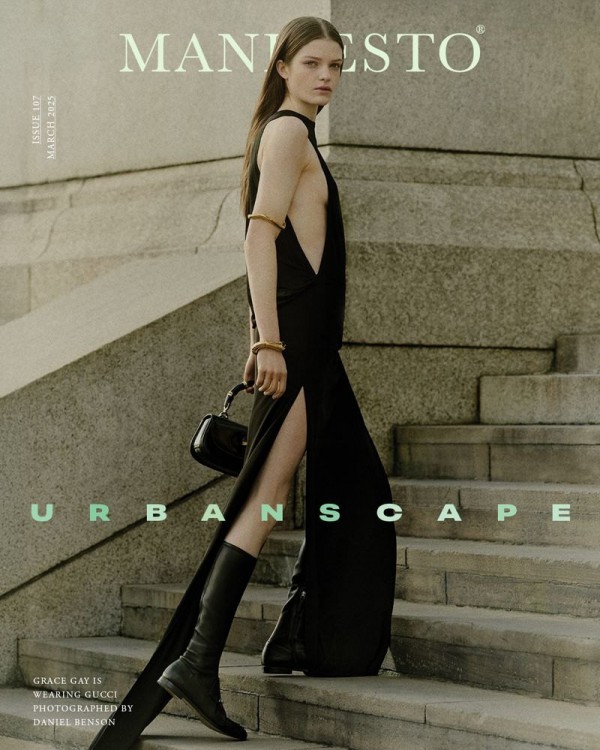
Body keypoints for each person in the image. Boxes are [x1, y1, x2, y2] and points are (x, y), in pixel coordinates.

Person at [88, 16, 396, 749]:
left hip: (311, 349)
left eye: (336, 66)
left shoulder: (291, 133)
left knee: (338, 489)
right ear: (283, 67)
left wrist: (272, 337)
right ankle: (199, 662)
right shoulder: (287, 133)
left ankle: (284, 639)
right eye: (313, 63)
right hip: (299, 348)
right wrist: (268, 341)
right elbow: (260, 235)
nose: (327, 77)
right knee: (264, 498)